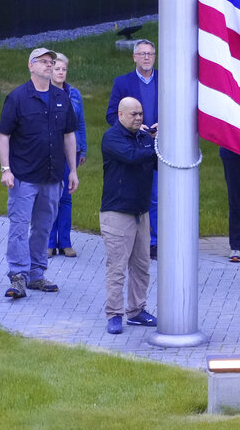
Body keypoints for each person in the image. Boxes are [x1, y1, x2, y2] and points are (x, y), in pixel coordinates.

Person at [0, 48, 79, 299]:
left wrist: (73, 170)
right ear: (30, 66)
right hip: (23, 176)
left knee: (43, 228)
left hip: (53, 176)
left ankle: (36, 274)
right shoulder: (17, 97)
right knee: (20, 227)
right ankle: (18, 275)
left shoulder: (61, 97)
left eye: (51, 62)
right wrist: (5, 169)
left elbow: (69, 135)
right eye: (43, 62)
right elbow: (4, 135)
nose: (48, 65)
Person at [101, 97, 158, 334]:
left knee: (142, 265)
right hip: (117, 214)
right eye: (133, 114)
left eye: (140, 114)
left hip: (140, 213)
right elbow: (133, 156)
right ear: (121, 115)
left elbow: (156, 160)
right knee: (117, 267)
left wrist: (154, 140)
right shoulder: (112, 137)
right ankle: (114, 314)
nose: (138, 118)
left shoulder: (144, 138)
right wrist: (153, 143)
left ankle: (136, 310)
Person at [106, 39, 159, 259]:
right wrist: (135, 128)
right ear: (134, 57)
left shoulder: (166, 80)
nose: (146, 58)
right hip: (133, 146)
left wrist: (162, 127)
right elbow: (112, 115)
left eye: (150, 54)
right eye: (142, 54)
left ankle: (155, 242)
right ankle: (138, 241)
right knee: (139, 194)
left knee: (157, 195)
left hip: (159, 144)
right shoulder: (122, 83)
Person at [48, 53, 87, 258]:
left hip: (71, 151)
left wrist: (84, 149)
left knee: (65, 197)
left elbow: (80, 124)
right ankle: (49, 242)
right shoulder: (43, 92)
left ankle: (65, 242)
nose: (61, 72)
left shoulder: (74, 94)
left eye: (64, 69)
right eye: (57, 69)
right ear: (50, 71)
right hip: (50, 151)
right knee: (50, 197)